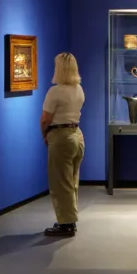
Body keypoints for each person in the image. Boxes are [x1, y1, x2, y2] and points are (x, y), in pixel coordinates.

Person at [40, 52, 85, 238]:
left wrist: (45, 135)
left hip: (60, 135)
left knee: (60, 182)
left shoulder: (55, 91)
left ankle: (66, 224)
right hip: (77, 135)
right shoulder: (78, 89)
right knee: (72, 180)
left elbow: (45, 119)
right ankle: (70, 218)